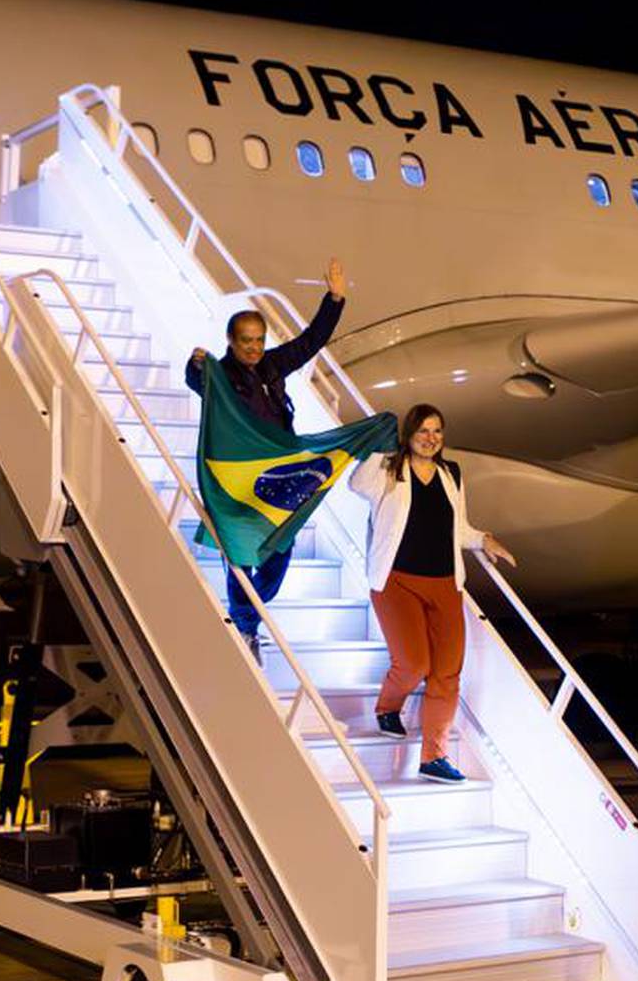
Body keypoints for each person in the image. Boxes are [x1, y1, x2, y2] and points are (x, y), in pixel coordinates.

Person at [185, 258, 347, 660]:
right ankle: (246, 628)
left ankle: (245, 618)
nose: (254, 348)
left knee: (280, 552)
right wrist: (196, 365)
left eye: (259, 340)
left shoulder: (272, 365)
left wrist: (334, 300)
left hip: (278, 478)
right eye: (246, 341)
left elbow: (310, 341)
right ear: (230, 340)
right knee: (241, 557)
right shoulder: (221, 375)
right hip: (238, 484)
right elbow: (196, 381)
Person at [350, 405, 514, 784]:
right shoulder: (387, 469)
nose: (431, 438)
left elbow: (459, 528)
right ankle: (388, 707)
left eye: (437, 431)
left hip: (445, 584)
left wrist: (485, 539)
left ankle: (433, 757)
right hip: (397, 582)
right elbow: (356, 484)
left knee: (447, 674)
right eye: (423, 431)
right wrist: (379, 446)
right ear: (408, 434)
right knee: (413, 665)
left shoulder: (451, 473)